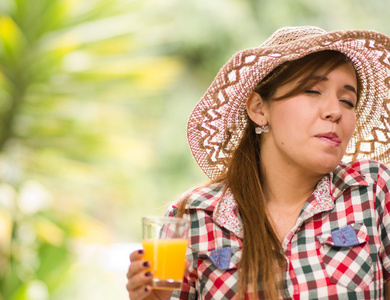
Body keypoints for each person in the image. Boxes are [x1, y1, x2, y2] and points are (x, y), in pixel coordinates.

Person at [126, 26, 390, 299]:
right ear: (259, 109)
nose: (336, 111)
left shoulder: (372, 191)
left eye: (348, 101)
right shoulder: (194, 218)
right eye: (312, 91)